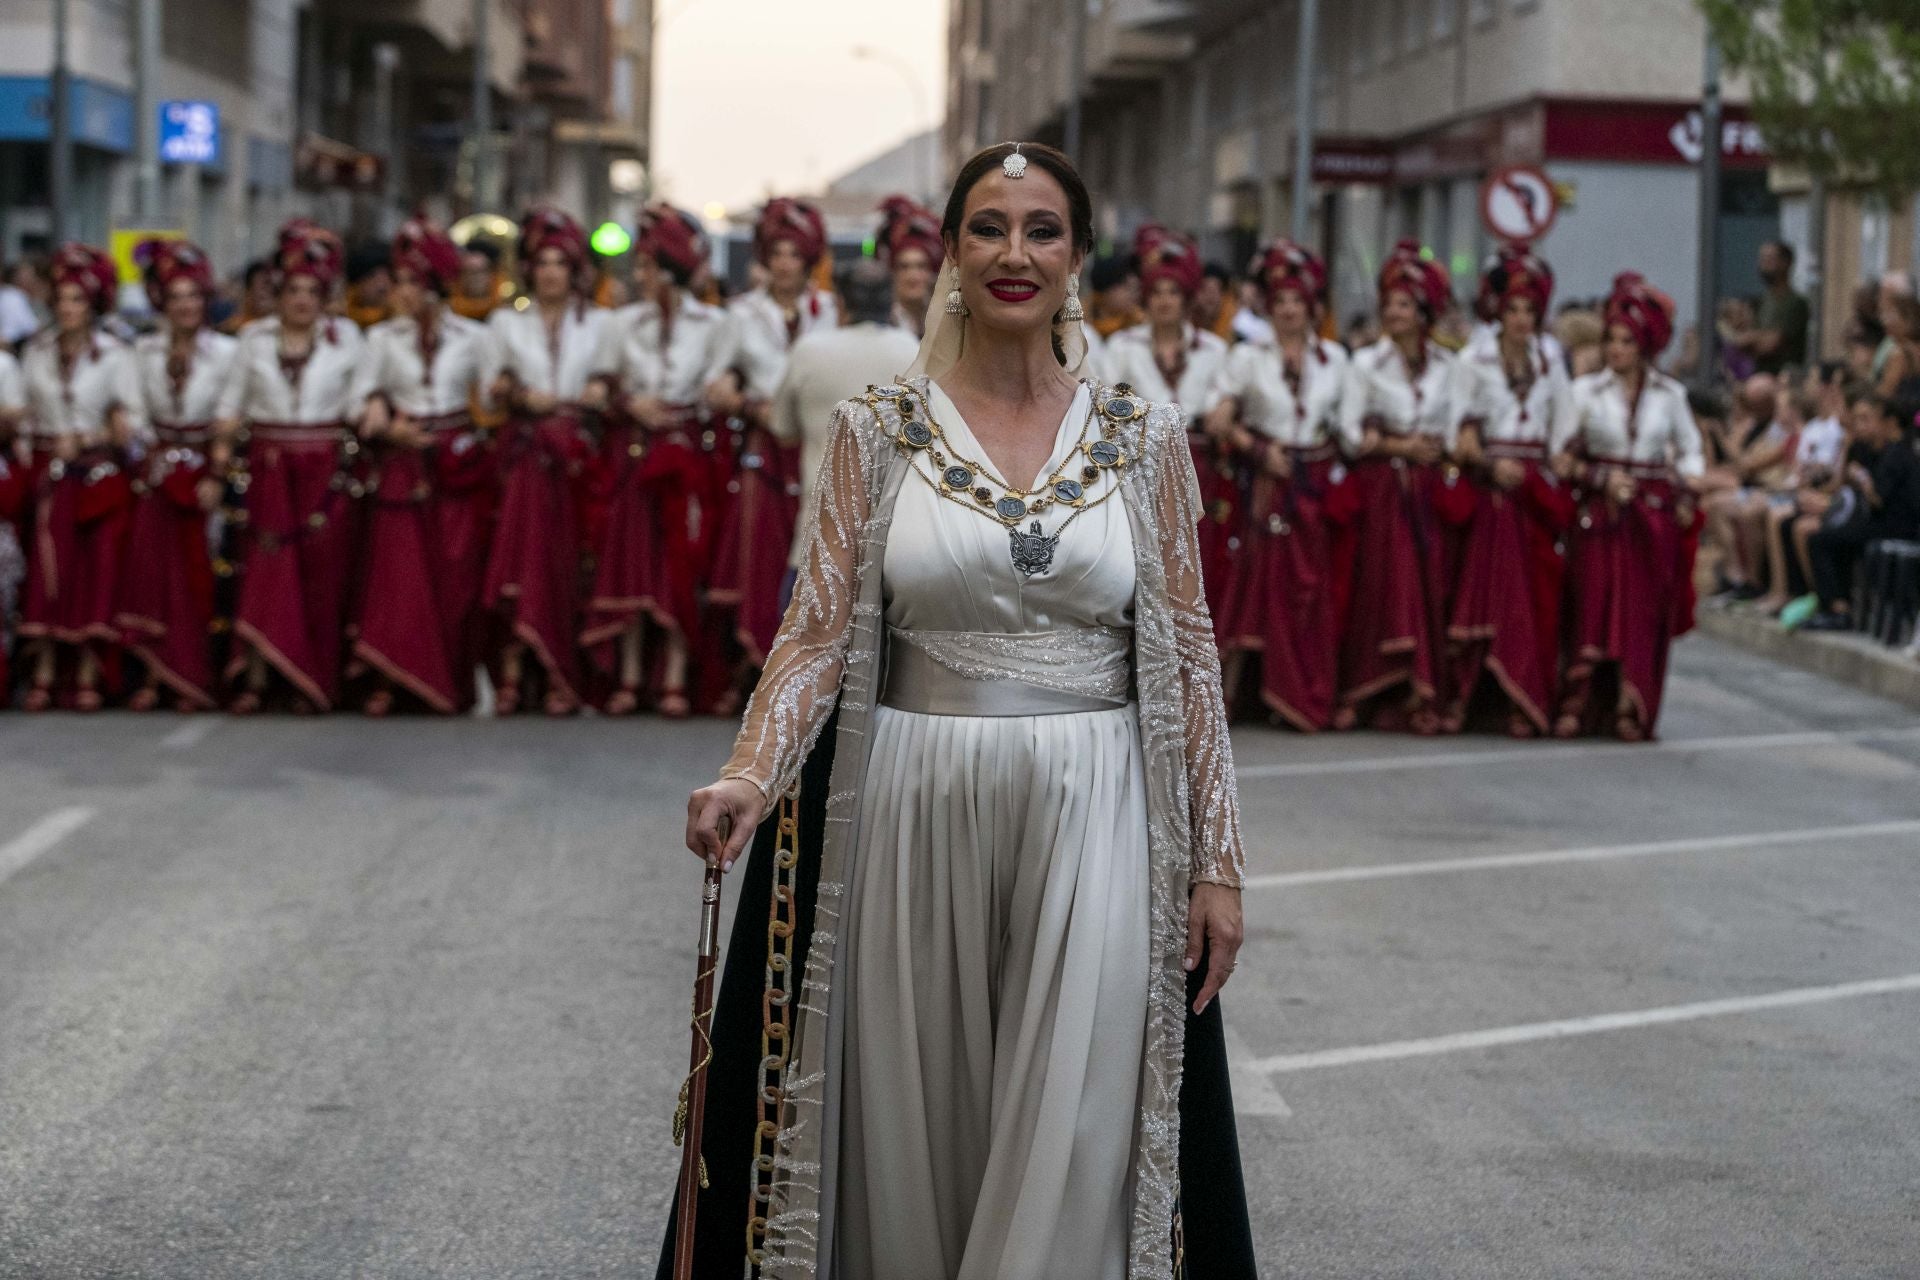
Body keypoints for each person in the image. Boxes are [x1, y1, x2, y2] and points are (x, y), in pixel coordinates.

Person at [668, 141, 1255, 1280]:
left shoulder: (1146, 438)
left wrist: (1217, 860)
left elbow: (1188, 653)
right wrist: (749, 772)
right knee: (914, 1127)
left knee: (1074, 1121)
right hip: (910, 807)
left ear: (1080, 256)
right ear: (950, 252)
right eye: (988, 227)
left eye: (1042, 229)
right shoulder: (876, 430)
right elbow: (817, 632)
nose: (1015, 252)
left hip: (1102, 812)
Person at [582, 203, 738, 717]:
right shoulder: (620, 323)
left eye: (649, 268)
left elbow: (720, 383)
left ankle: (674, 676)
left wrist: (720, 391)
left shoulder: (715, 323)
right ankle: (628, 676)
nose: (641, 277)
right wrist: (627, 403)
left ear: (671, 274)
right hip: (635, 452)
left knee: (680, 560)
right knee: (631, 560)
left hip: (687, 452)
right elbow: (603, 385)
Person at [347, 219, 499, 715]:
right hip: (404, 462)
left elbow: (496, 397)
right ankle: (393, 678)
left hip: (457, 464)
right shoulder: (381, 339)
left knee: (455, 572)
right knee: (399, 575)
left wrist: (490, 414)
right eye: (400, 282)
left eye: (413, 282)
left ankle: (449, 680)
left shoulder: (474, 336)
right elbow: (359, 399)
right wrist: (383, 420)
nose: (402, 292)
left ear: (435, 286)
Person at [216, 220, 366, 714]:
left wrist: (377, 418)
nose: (302, 300)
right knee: (265, 571)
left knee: (321, 576)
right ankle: (257, 677)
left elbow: (361, 402)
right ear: (278, 294)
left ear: (325, 296)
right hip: (269, 467)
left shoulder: (347, 339)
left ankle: (313, 681)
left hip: (326, 467)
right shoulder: (253, 339)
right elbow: (230, 404)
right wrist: (221, 451)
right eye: (293, 290)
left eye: (311, 291)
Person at [1203, 238, 1354, 730]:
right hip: (1268, 486)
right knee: (1254, 588)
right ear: (1269, 307)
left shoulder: (1335, 359)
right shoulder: (1248, 357)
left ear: (1313, 308)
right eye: (1281, 302)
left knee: (1308, 593)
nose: (1289, 310)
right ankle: (1229, 698)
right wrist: (1257, 449)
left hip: (1313, 489)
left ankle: (1302, 693)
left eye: (1298, 302)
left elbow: (1348, 431)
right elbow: (1218, 416)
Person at [1555, 272, 1704, 741]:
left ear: (1645, 345)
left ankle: (1632, 702)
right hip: (1601, 513)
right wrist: (1596, 477)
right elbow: (1557, 454)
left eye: (1626, 341)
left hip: (1650, 518)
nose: (1616, 349)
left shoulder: (1671, 396)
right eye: (1611, 339)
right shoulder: (1583, 394)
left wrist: (1686, 490)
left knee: (1641, 612)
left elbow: (1692, 450)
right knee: (1592, 603)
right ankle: (1579, 700)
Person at [482, 207, 615, 717]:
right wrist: (516, 392)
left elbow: (612, 382)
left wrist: (601, 390)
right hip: (527, 455)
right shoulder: (504, 322)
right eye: (543, 262)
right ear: (529, 270)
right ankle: (512, 675)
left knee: (568, 563)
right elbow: (493, 392)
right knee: (520, 559)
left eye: (561, 262)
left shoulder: (601, 324)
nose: (552, 272)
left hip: (579, 458)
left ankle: (564, 677)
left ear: (575, 269)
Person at [707, 198, 838, 699]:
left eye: (793, 254)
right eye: (776, 253)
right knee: (762, 550)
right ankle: (759, 666)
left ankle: (809, 668)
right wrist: (743, 401)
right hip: (767, 442)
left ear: (808, 259)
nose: (785, 263)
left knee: (818, 547)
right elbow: (713, 382)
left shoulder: (830, 309)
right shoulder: (740, 314)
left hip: (820, 442)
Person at [1445, 243, 1577, 736]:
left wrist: (1561, 459)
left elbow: (1563, 428)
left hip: (1534, 494)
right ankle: (1472, 696)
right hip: (1491, 492)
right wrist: (1487, 461)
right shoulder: (1472, 361)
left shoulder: (1551, 361)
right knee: (1487, 596)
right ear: (1498, 310)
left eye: (1530, 310)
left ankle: (1528, 696)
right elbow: (1456, 434)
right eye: (1513, 308)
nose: (1521, 318)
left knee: (1538, 597)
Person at [1336, 239, 1460, 733]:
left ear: (1425, 311)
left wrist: (1432, 448)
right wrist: (1398, 445)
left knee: (1431, 584)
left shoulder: (1452, 368)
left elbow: (1456, 432)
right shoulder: (1365, 364)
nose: (1394, 313)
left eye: (1405, 305)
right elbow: (1349, 432)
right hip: (1383, 492)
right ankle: (1368, 689)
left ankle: (1425, 692)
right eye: (1389, 304)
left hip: (1431, 492)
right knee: (1381, 585)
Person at [15, 243, 142, 711]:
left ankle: (87, 669)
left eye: (77, 301)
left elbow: (133, 420)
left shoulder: (115, 354)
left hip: (97, 474)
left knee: (96, 570)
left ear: (94, 305)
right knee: (48, 572)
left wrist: (92, 438)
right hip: (48, 473)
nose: (68, 309)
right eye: (62, 300)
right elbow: (28, 417)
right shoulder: (38, 350)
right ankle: (45, 669)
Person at [119, 239, 237, 711]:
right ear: (161, 304)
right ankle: (152, 671)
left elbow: (232, 411)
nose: (186, 306)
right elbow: (131, 408)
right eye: (176, 298)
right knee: (151, 573)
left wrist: (216, 470)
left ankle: (193, 674)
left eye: (194, 296)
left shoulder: (227, 353)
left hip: (205, 468)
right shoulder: (144, 351)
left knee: (198, 574)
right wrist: (149, 451)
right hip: (158, 469)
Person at [768, 257, 917, 603]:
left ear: (841, 303)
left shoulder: (810, 351)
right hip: (896, 542)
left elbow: (783, 429)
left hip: (820, 535)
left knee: (804, 648)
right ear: (889, 301)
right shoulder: (913, 350)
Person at [1106, 225, 1232, 615]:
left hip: (1201, 470)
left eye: (1174, 292)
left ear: (1188, 298)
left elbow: (1220, 406)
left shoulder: (1214, 349)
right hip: (1143, 470)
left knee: (1201, 567)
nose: (1164, 301)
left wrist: (1224, 407)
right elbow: (1112, 407)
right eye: (1156, 292)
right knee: (1147, 568)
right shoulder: (1121, 346)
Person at [1802, 390, 1920, 631]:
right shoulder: (1867, 449)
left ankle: (1838, 608)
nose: (1860, 425)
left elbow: (1879, 499)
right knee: (1830, 537)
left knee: (1823, 541)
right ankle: (1836, 606)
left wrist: (1864, 482)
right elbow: (1838, 482)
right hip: (1874, 523)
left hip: (1895, 526)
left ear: (1888, 422)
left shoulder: (1899, 454)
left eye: (1867, 419)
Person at [1757, 366, 1849, 614]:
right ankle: (1780, 589)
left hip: (1835, 499)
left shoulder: (1839, 430)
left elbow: (1837, 478)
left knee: (1792, 521)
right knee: (1777, 513)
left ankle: (1818, 596)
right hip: (1811, 491)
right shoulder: (1814, 428)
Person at [1724, 240, 1809, 375]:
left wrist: (1753, 339)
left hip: (1783, 375)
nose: (1763, 264)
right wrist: (1754, 338)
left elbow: (1770, 344)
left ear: (1785, 263)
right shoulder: (1762, 302)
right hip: (1757, 373)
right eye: (1762, 259)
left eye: (1769, 259)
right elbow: (1740, 341)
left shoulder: (1795, 303)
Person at [875, 195, 942, 337]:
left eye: (921, 266)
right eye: (904, 267)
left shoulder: (945, 322)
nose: (913, 276)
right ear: (893, 271)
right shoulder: (881, 324)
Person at [218, 259, 275, 336]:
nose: (269, 290)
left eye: (274, 287)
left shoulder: (283, 327)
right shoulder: (232, 329)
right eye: (264, 285)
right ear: (248, 292)